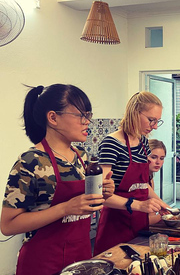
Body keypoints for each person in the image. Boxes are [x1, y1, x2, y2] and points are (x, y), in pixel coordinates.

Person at [1, 84, 114, 275]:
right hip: (43, 263)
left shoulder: (82, 156)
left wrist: (102, 192)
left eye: (89, 115)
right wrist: (65, 208)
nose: (87, 122)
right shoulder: (30, 161)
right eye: (81, 115)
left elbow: (83, 205)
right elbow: (8, 225)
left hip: (81, 258)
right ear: (53, 117)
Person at [94, 91, 172, 255]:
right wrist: (138, 205)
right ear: (134, 112)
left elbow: (141, 184)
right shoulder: (111, 143)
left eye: (158, 121)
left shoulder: (143, 142)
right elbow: (100, 194)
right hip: (116, 225)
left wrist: (161, 203)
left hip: (140, 223)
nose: (155, 126)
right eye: (151, 120)